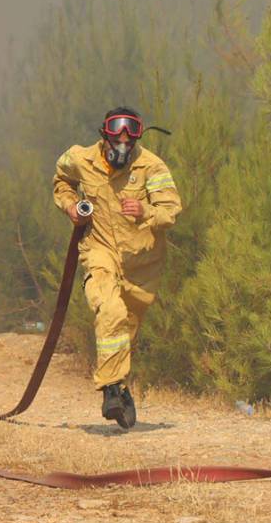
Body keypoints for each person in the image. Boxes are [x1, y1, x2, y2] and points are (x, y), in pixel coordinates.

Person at [52, 107, 182, 428]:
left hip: (142, 264)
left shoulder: (151, 166)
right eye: (116, 133)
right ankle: (110, 390)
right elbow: (62, 180)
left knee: (125, 330)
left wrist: (145, 210)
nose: (122, 142)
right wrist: (71, 207)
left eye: (130, 134)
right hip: (100, 252)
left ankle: (120, 388)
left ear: (138, 136)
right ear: (104, 133)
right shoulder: (80, 159)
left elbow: (171, 211)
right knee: (109, 310)